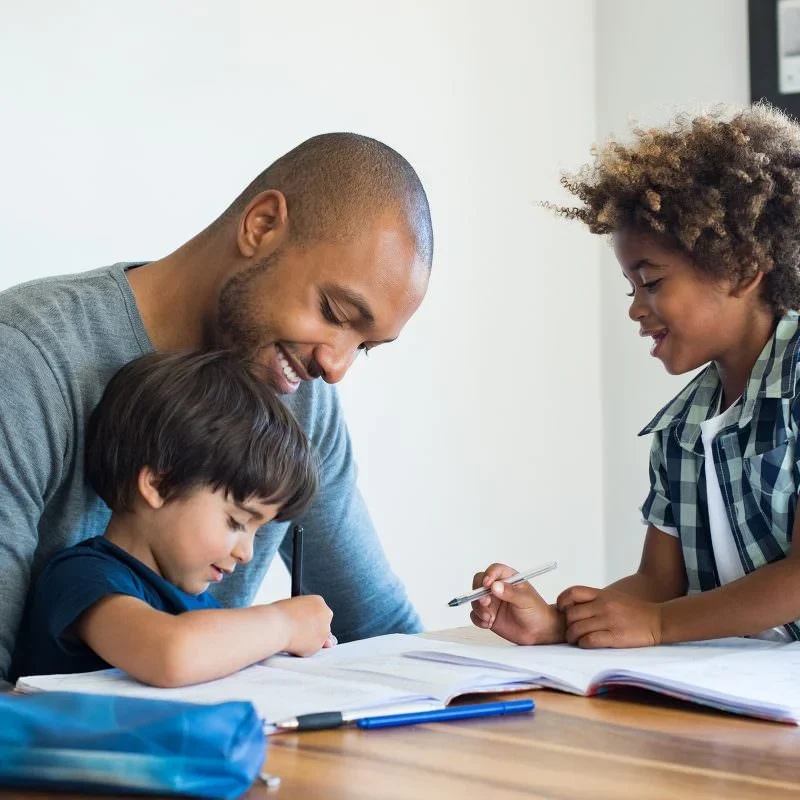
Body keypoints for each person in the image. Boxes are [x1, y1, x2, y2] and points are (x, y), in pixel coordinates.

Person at [0, 132, 433, 684]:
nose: (336, 366)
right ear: (261, 226)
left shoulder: (303, 400)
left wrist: (532, 643)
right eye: (334, 310)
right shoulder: (26, 359)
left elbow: (384, 631)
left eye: (365, 346)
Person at [472, 104, 800, 648]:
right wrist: (558, 623)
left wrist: (661, 625)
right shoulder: (681, 430)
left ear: (741, 269)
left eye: (651, 283)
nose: (635, 309)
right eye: (631, 288)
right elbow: (658, 583)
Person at [14, 351, 335, 685]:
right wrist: (282, 624)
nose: (247, 553)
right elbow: (170, 655)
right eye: (237, 522)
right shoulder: (83, 578)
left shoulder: (200, 608)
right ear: (159, 485)